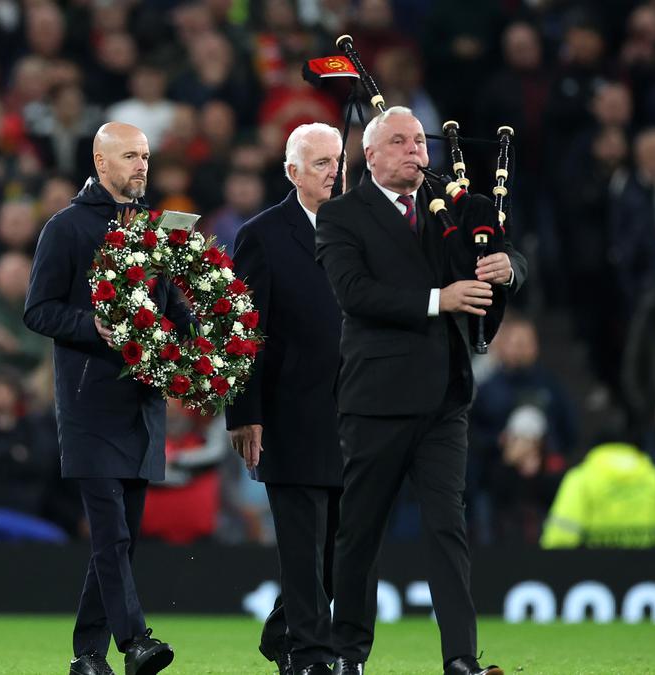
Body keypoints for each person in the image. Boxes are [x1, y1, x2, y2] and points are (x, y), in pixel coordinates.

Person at [314, 106, 526, 675]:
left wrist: (510, 268)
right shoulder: (340, 216)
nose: (416, 150)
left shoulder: (448, 203)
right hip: (375, 399)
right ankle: (347, 656)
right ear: (372, 155)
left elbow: (502, 246)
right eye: (401, 142)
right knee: (360, 532)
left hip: (444, 398)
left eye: (419, 141)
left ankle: (460, 658)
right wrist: (440, 300)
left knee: (447, 529)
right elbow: (354, 294)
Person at [24, 122, 193, 675]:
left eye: (145, 155)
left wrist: (208, 335)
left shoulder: (158, 228)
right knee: (112, 533)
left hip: (141, 406)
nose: (142, 165)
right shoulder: (67, 228)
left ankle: (87, 654)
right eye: (129, 156)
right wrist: (93, 323)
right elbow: (38, 309)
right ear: (100, 161)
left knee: (122, 541)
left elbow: (171, 310)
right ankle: (136, 641)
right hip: (89, 404)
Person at [223, 123, 345, 675]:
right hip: (290, 412)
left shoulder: (361, 228)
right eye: (320, 163)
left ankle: (283, 630)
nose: (333, 172)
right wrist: (245, 413)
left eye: (338, 161)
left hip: (355, 412)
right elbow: (243, 329)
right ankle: (309, 655)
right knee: (302, 543)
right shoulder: (262, 235)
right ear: (292, 172)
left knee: (337, 550)